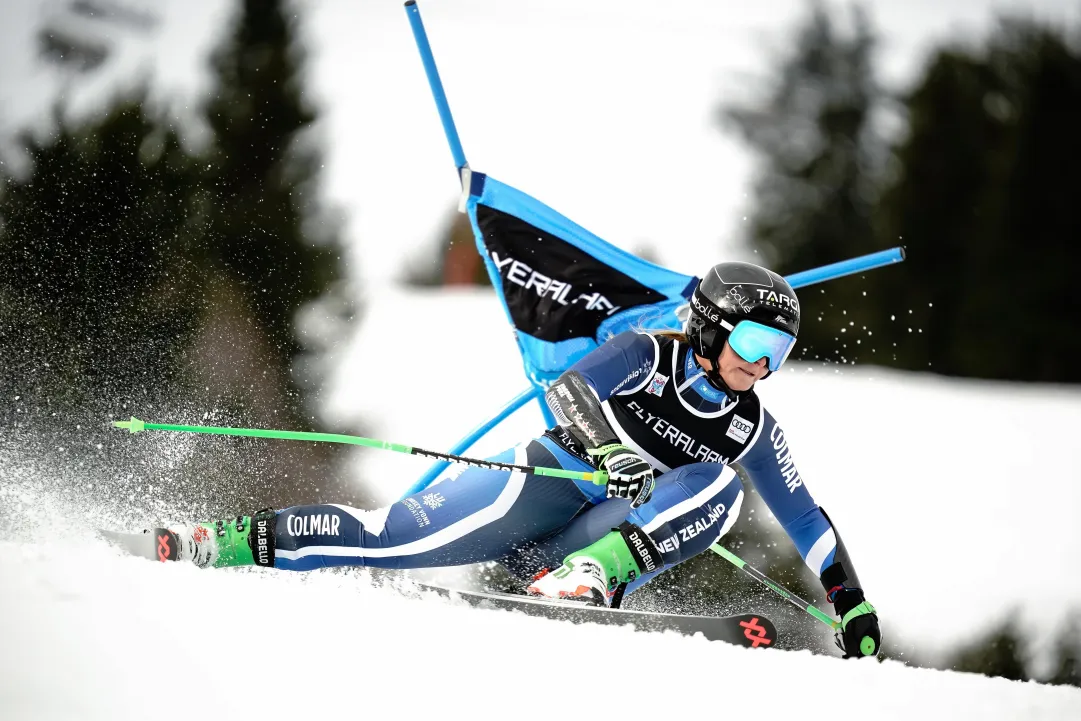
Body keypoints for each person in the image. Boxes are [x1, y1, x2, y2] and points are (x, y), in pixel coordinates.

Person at [159, 261, 881, 658]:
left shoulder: (751, 426)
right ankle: (211, 541)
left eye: (779, 355)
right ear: (714, 325)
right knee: (390, 537)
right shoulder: (647, 353)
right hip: (541, 485)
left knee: (719, 488)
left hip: (595, 539)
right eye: (756, 345)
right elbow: (568, 389)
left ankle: (588, 576)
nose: (762, 367)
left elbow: (804, 515)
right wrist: (605, 449)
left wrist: (848, 599)